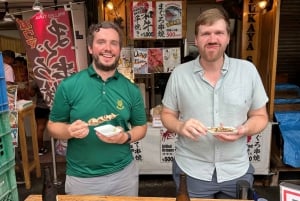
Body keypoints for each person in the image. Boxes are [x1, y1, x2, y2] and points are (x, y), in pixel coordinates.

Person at [160, 8, 269, 199]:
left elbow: (260, 116)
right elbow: (167, 114)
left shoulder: (248, 71)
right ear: (196, 39)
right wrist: (180, 125)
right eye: (206, 34)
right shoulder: (179, 74)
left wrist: (244, 129)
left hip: (236, 170)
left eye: (219, 33)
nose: (212, 39)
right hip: (191, 170)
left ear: (228, 37)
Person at [47, 21, 147, 196]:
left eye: (113, 43)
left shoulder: (130, 89)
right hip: (81, 178)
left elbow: (141, 127)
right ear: (90, 48)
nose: (107, 48)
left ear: (119, 50)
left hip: (124, 175)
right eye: (101, 42)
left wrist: (126, 136)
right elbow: (53, 126)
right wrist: (69, 130)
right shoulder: (69, 85)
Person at [29, 80, 50, 155]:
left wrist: (31, 86)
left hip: (41, 107)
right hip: (54, 106)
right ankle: (61, 147)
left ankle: (40, 149)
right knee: (59, 126)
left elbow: (31, 94)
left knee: (40, 128)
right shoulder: (56, 74)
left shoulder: (37, 77)